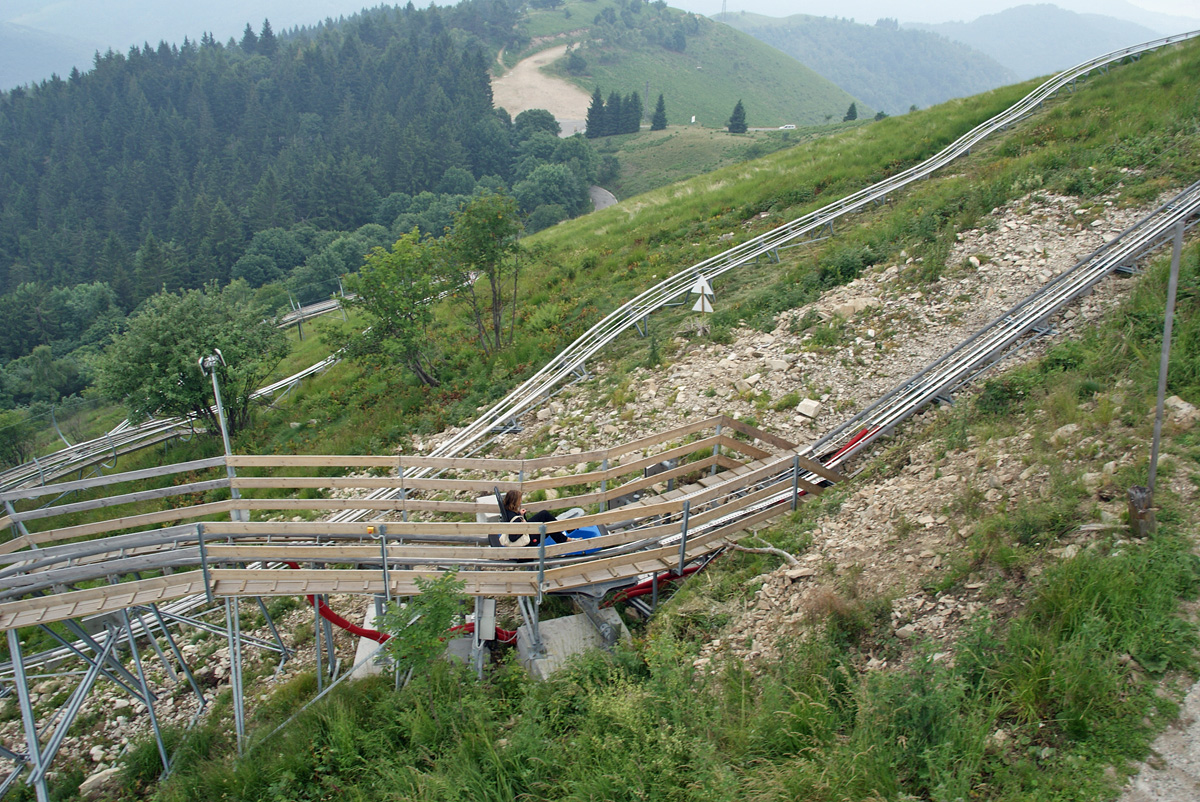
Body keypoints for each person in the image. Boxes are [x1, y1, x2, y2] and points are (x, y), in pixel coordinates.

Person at [502, 490, 569, 543]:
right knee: (545, 519)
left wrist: (520, 515)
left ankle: (562, 538)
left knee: (544, 515)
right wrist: (523, 523)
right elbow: (513, 537)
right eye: (519, 500)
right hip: (527, 538)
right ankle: (563, 538)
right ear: (515, 501)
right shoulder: (512, 516)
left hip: (526, 532)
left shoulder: (509, 511)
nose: (520, 501)